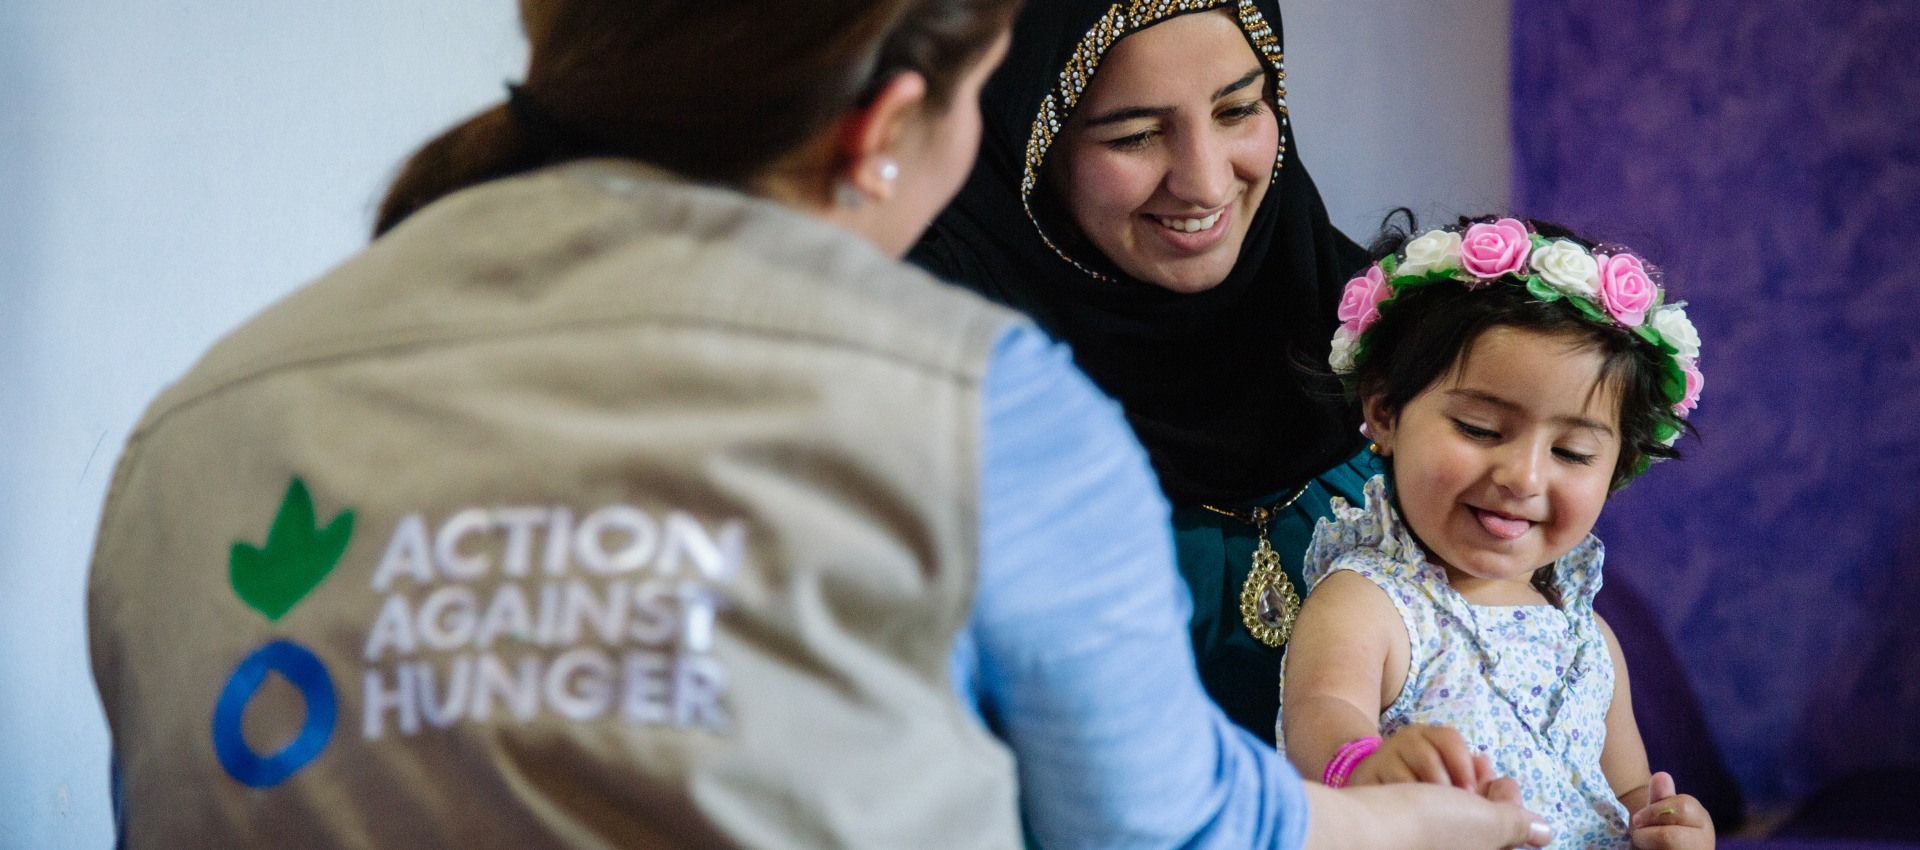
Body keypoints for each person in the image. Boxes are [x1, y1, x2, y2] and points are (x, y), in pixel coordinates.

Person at [89, 1, 1552, 848]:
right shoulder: (975, 403)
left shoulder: (201, 421)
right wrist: (1428, 823)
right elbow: (1167, 829)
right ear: (886, 125)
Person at [911, 0, 1376, 743]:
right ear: (1029, 138)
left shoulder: (1392, 333)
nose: (1203, 182)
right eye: (1136, 135)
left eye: (1239, 110)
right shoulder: (935, 371)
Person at [1277, 218, 1716, 849]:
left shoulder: (1588, 635)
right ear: (1383, 413)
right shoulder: (1370, 602)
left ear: (1618, 465)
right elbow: (1320, 719)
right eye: (1481, 429)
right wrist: (1364, 770)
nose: (1523, 477)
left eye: (1571, 452)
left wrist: (1666, 829)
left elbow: (1623, 797)